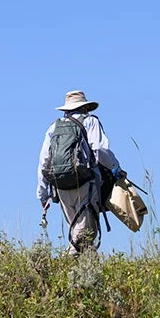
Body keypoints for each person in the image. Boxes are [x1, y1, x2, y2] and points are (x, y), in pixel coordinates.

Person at [37, 90, 124, 256]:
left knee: (78, 230)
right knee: (84, 234)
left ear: (66, 110)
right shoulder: (90, 121)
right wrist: (115, 168)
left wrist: (42, 194)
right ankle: (68, 264)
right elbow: (99, 149)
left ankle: (84, 273)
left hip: (61, 186)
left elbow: (43, 161)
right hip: (86, 182)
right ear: (85, 107)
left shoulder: (54, 127)